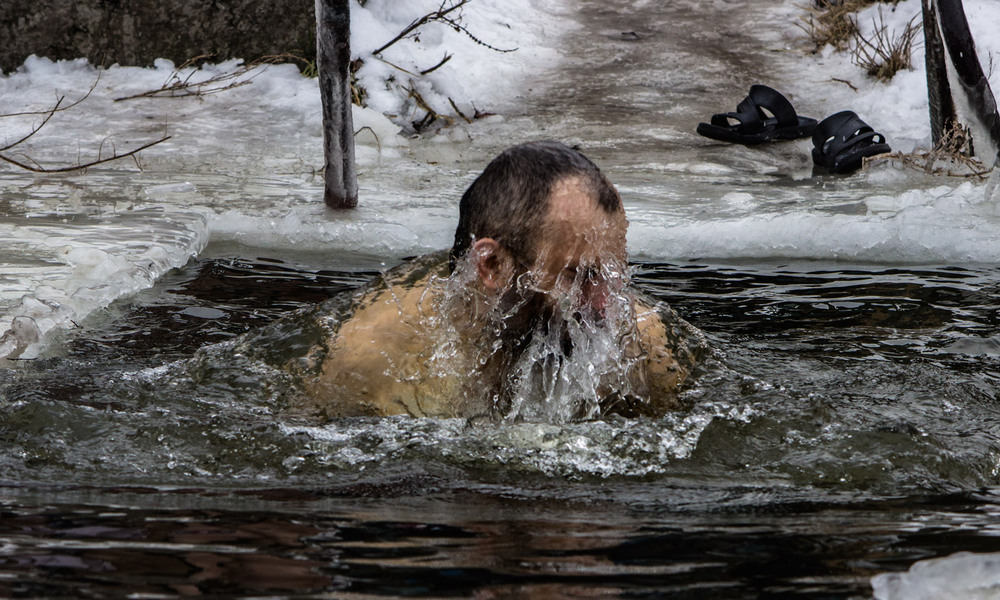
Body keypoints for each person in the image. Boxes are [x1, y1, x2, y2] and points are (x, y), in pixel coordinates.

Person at [297, 141, 705, 421]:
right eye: (578, 275)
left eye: (613, 275)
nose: (606, 305)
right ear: (491, 265)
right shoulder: (370, 353)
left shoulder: (644, 348)